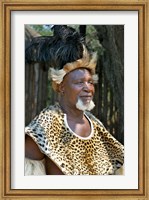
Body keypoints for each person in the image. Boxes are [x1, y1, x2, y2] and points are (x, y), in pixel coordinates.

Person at [25, 25, 124, 175]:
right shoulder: (46, 125)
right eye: (79, 83)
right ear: (62, 86)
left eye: (90, 82)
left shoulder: (95, 125)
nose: (88, 88)